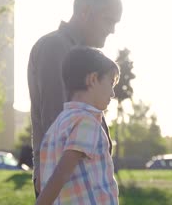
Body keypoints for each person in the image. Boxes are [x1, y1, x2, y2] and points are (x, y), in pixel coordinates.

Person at [27, 0, 122, 197]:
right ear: (85, 12)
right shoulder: (56, 48)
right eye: (108, 20)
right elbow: (58, 120)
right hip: (68, 186)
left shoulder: (78, 55)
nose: (112, 29)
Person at [35, 47, 120, 205]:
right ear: (93, 79)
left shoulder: (56, 127)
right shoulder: (87, 122)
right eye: (111, 83)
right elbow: (61, 173)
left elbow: (42, 181)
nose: (113, 93)